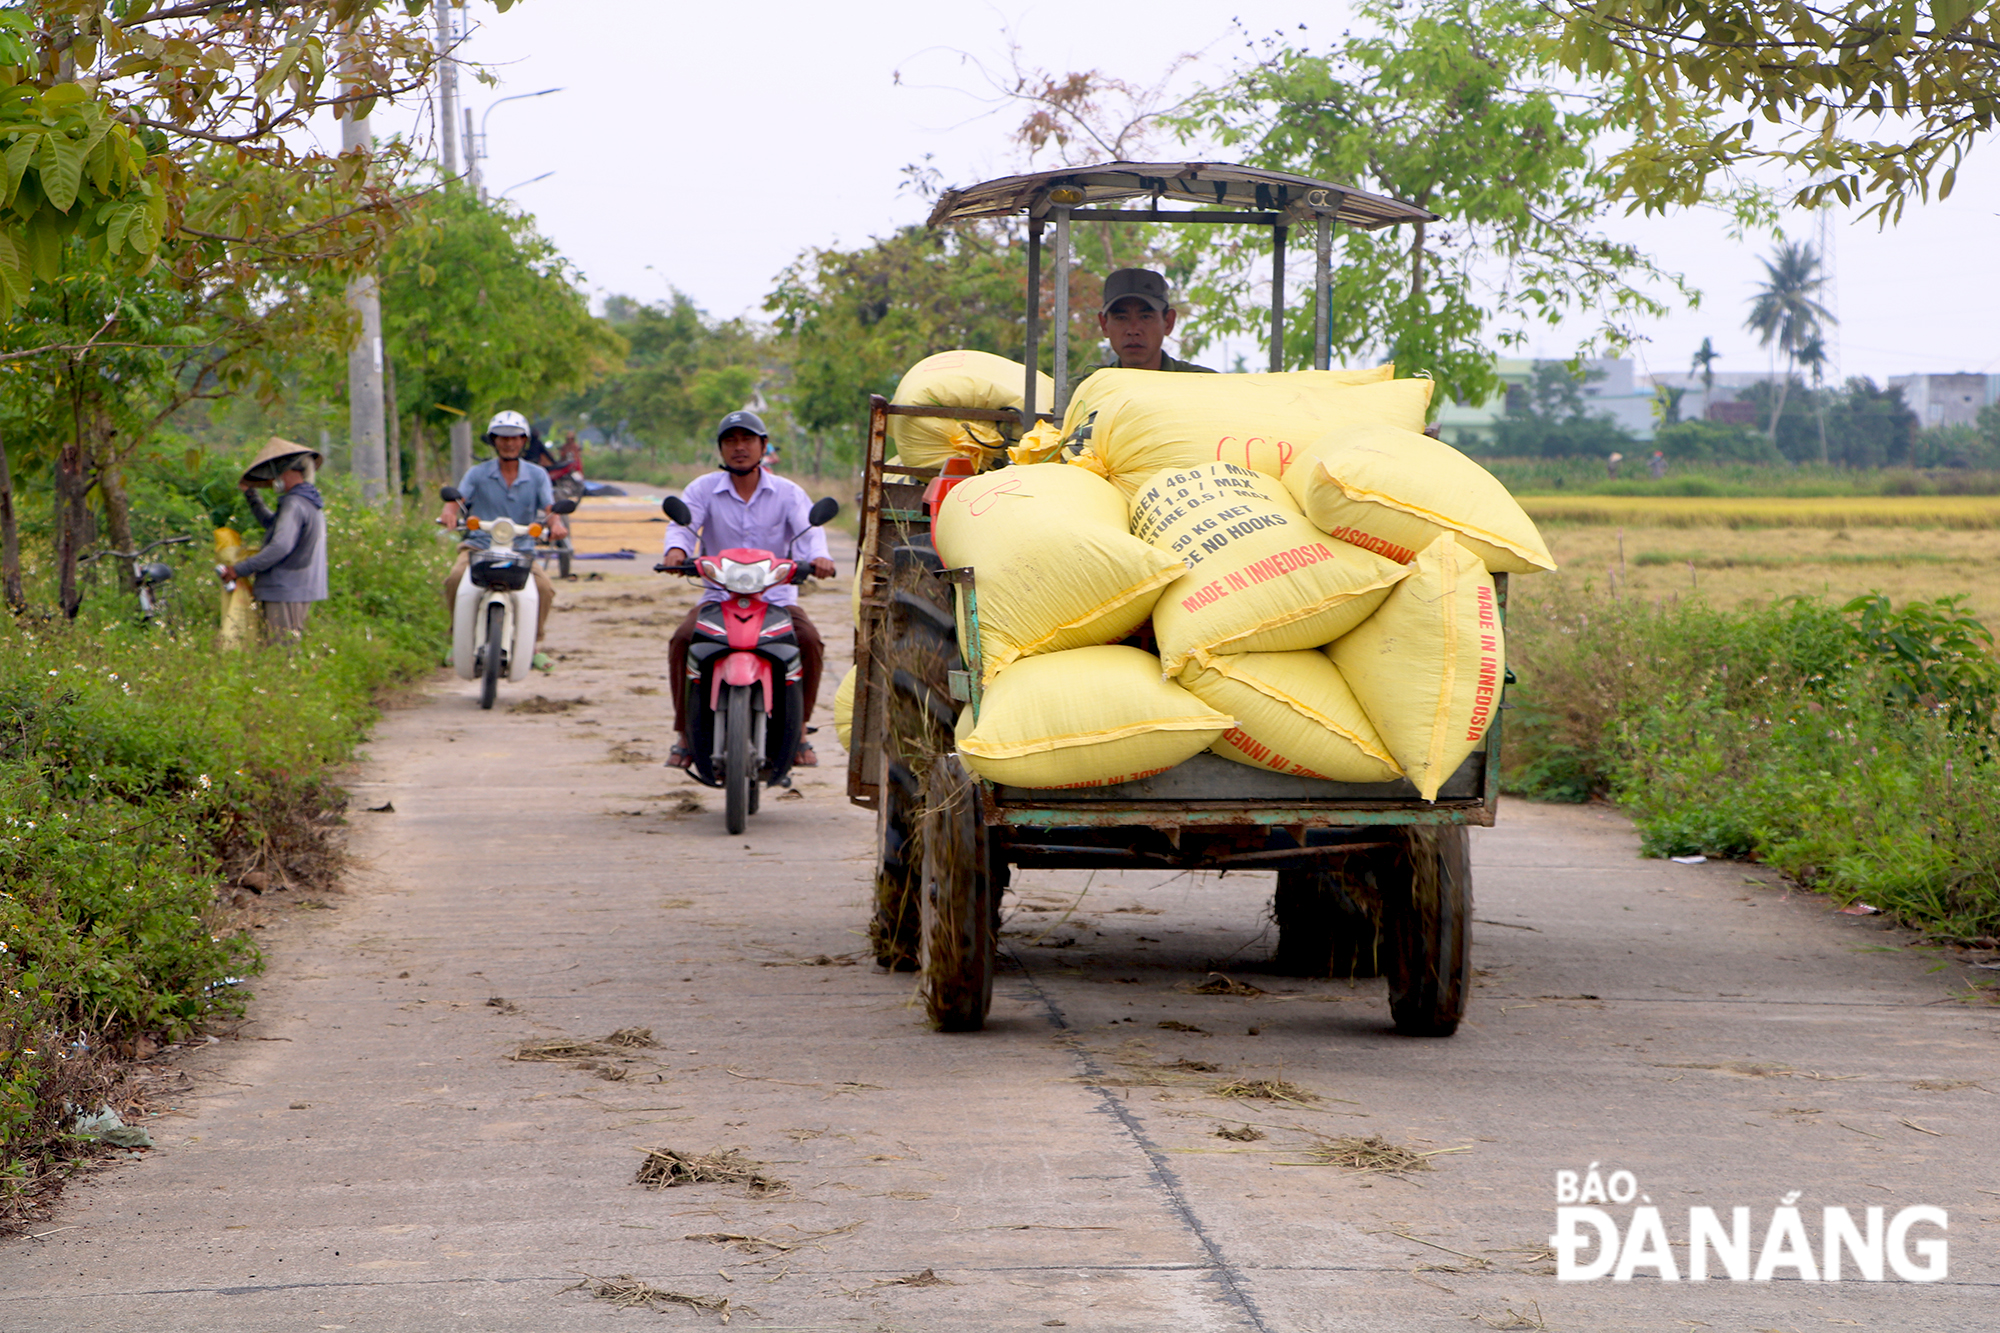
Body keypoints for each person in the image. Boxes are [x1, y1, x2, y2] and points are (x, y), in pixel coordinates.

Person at [663, 410, 835, 769]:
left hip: (776, 599)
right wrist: (676, 552)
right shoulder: (702, 489)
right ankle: (684, 734)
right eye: (731, 441)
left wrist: (818, 559)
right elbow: (683, 525)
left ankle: (800, 729)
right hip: (718, 598)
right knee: (682, 640)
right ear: (721, 449)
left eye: (747, 440)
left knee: (809, 642)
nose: (739, 448)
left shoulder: (788, 492)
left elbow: (810, 532)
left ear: (763, 446)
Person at [440, 410, 567, 644]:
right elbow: (456, 501)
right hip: (478, 548)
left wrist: (556, 524)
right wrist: (448, 514)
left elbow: (550, 509)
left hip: (521, 550)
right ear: (493, 441)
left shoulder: (537, 475)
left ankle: (534, 645)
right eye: (502, 437)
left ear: (523, 441)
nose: (509, 443)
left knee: (544, 588)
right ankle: (456, 638)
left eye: (515, 437)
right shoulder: (477, 473)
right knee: (455, 578)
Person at [222, 437, 328, 642]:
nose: (274, 478)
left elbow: (279, 546)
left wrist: (240, 569)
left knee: (282, 651)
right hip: (295, 588)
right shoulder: (307, 500)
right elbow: (273, 526)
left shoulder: (294, 503)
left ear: (291, 471)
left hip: (285, 589)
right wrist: (252, 496)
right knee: (282, 649)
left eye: (278, 471)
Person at [1081, 268, 1216, 379]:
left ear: (1168, 322)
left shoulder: (1203, 385)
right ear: (1104, 325)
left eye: (1145, 317)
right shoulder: (1087, 390)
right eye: (1121, 317)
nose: (1133, 330)